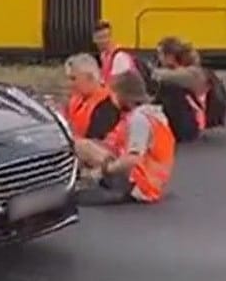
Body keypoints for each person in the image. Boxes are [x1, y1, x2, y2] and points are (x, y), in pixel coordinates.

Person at [73, 70, 175, 205]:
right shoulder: (155, 115)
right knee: (87, 145)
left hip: (139, 183)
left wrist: (103, 171)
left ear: (123, 94)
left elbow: (133, 158)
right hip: (153, 179)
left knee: (80, 146)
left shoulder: (139, 119)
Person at [153, 36, 211, 142]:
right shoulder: (190, 71)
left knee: (169, 90)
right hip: (190, 122)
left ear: (169, 56)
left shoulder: (192, 73)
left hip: (191, 124)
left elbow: (158, 75)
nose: (158, 58)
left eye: (160, 54)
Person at [63, 53, 121, 140]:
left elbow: (96, 143)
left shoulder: (107, 106)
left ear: (90, 77)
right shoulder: (77, 98)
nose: (70, 84)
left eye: (74, 79)